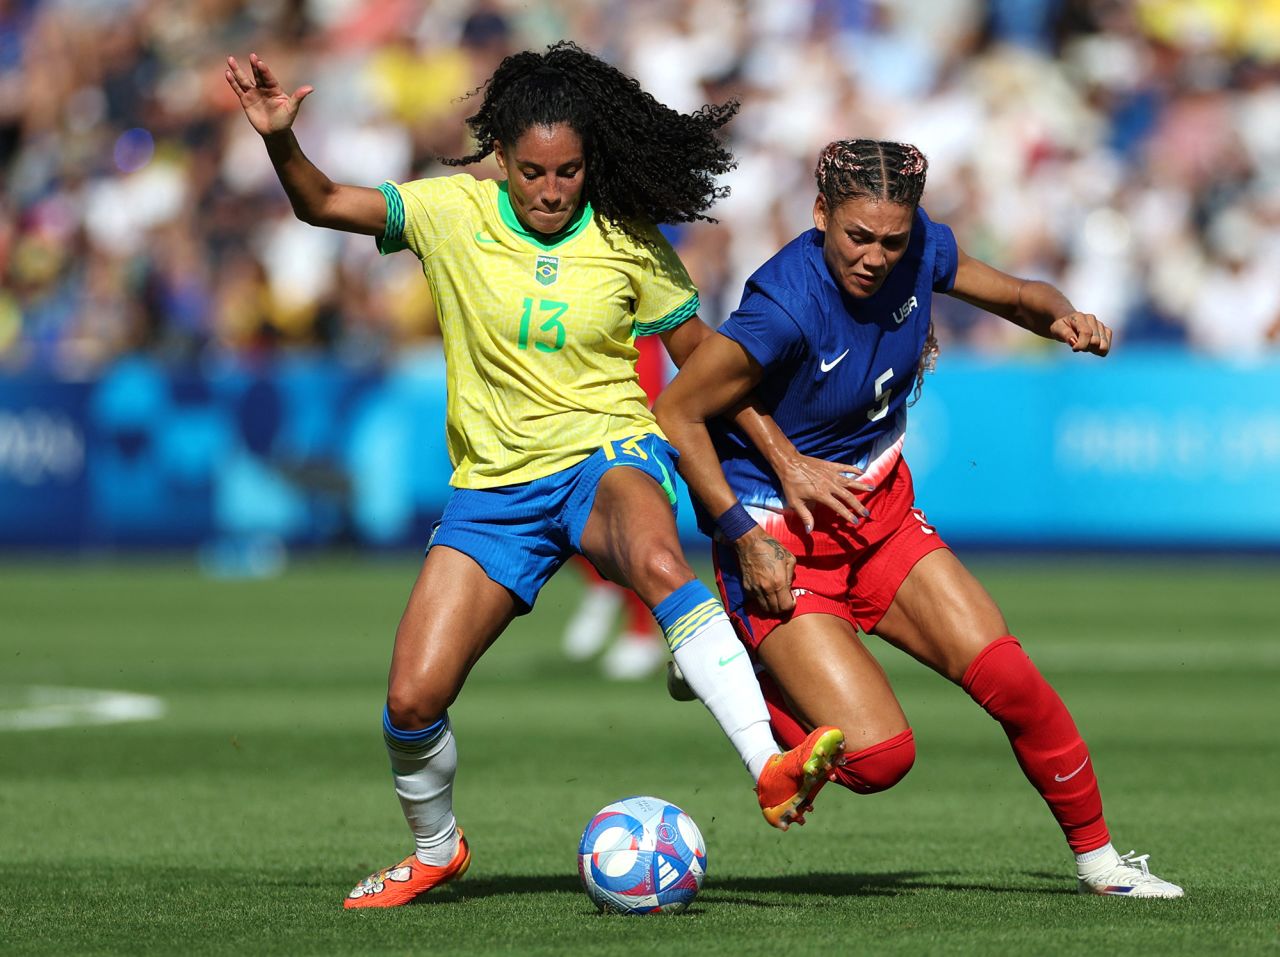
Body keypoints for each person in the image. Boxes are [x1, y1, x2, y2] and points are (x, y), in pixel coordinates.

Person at [223, 42, 845, 910]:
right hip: (493, 494)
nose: (553, 191)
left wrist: (776, 456)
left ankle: (769, 765)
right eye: (533, 172)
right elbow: (322, 201)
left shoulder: (629, 240)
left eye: (570, 171)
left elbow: (702, 365)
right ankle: (437, 849)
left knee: (659, 561)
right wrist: (280, 141)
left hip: (607, 453)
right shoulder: (447, 215)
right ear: (500, 160)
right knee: (411, 699)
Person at [654, 138, 1184, 898]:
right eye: (856, 237)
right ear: (820, 215)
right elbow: (678, 411)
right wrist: (743, 534)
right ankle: (725, 663)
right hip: (782, 544)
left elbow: (1017, 296)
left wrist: (1064, 316)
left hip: (882, 516)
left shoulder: (921, 250)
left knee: (1016, 683)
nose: (875, 256)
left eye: (891, 240)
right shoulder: (783, 305)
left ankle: (1103, 867)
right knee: (880, 760)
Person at [562, 334, 669, 680]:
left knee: (626, 521)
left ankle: (642, 633)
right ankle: (602, 584)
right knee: (557, 505)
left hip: (630, 359)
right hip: (573, 366)